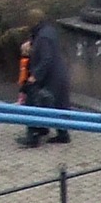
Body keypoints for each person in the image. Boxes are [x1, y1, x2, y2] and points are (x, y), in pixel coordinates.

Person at [17, 9, 71, 147]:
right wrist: (31, 43)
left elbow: (46, 58)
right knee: (59, 104)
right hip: (57, 75)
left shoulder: (43, 37)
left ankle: (34, 135)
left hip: (50, 77)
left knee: (34, 102)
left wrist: (35, 76)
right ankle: (62, 133)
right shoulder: (48, 30)